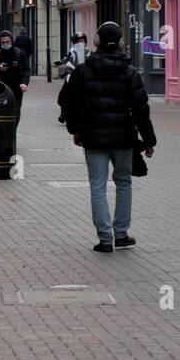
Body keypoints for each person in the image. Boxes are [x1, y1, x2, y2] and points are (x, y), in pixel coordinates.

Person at [61, 21, 157, 254]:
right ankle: (121, 233)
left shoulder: (83, 71)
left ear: (97, 42)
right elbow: (141, 109)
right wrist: (148, 140)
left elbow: (68, 103)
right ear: (120, 43)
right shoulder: (130, 72)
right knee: (123, 182)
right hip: (124, 137)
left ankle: (105, 238)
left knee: (98, 186)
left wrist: (75, 130)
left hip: (93, 137)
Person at [0, 29, 31, 118]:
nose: (5, 44)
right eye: (3, 42)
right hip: (1, 88)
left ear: (12, 41)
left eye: (7, 42)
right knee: (2, 112)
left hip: (16, 88)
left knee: (15, 112)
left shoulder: (19, 53)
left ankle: (13, 130)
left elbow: (27, 69)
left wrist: (24, 83)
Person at [56, 34, 90, 123]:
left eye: (82, 40)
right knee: (63, 94)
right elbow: (67, 59)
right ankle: (63, 114)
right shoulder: (72, 51)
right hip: (72, 75)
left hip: (85, 77)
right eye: (79, 41)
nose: (81, 43)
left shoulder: (89, 52)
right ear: (75, 42)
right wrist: (60, 62)